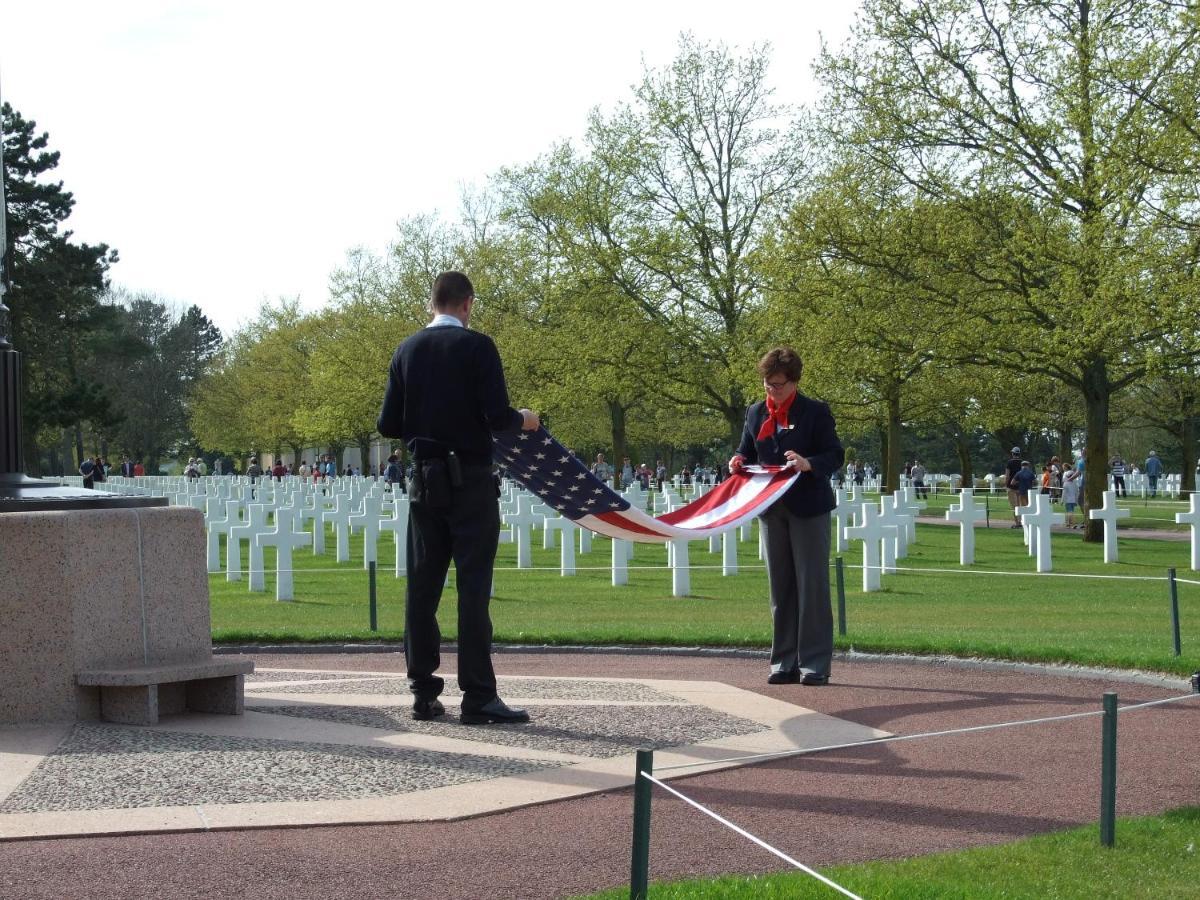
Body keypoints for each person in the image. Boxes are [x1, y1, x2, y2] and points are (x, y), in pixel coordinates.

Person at [377, 270, 540, 725]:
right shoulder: (478, 347)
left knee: (422, 588)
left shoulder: (405, 351)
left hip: (425, 482)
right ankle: (479, 696)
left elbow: (388, 424)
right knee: (472, 591)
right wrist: (525, 419)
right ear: (467, 303)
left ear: (433, 302)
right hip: (470, 480)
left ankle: (423, 692)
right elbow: (497, 415)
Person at [729, 346, 843, 687]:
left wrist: (809, 463)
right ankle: (784, 661)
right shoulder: (754, 412)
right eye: (767, 383)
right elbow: (746, 449)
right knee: (781, 587)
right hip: (771, 509)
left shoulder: (815, 412)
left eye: (778, 384)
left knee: (812, 586)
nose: (771, 390)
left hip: (808, 506)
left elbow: (834, 454)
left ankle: (814, 663)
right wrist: (736, 460)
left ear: (794, 382)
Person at [1004, 447, 1023, 528]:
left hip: (1011, 487)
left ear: (1012, 453)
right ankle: (1021, 521)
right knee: (1019, 505)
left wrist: (1005, 485)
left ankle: (1017, 523)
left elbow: (1007, 476)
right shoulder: (1022, 462)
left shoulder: (1009, 463)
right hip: (1020, 486)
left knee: (1014, 506)